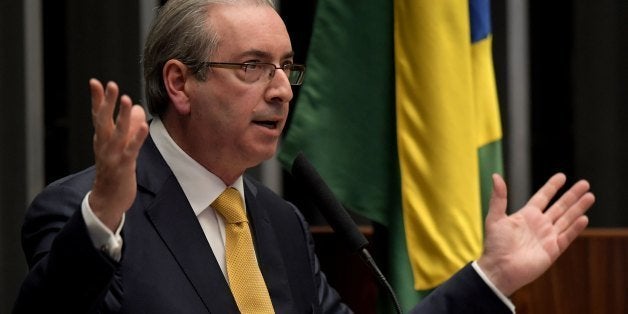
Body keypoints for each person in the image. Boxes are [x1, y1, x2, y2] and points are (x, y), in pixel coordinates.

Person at [13, 0, 595, 313]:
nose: (282, 89)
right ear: (180, 83)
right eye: (253, 67)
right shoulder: (81, 214)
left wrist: (489, 278)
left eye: (287, 67)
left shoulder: (280, 224)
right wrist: (102, 222)